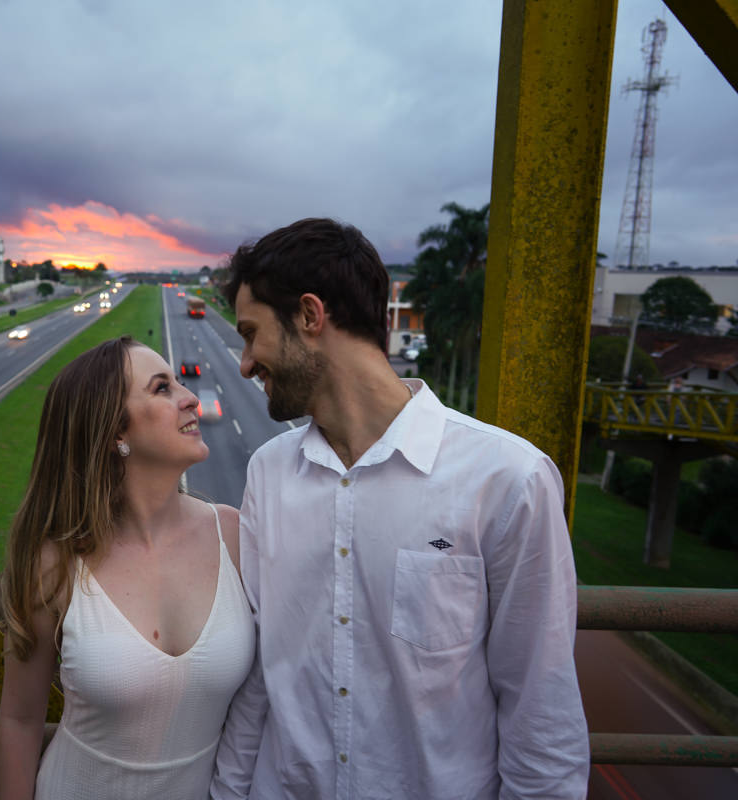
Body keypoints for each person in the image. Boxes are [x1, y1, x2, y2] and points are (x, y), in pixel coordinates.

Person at [210, 218, 589, 799]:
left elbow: (540, 706)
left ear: (310, 317)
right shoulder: (267, 471)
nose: (244, 362)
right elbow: (262, 670)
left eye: (250, 333)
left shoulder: (508, 479)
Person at [0, 336, 255, 800]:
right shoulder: (54, 564)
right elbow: (20, 718)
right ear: (116, 431)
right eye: (161, 389)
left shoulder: (235, 536)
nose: (191, 397)